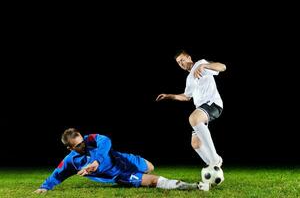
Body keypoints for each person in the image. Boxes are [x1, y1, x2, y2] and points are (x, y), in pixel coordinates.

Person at [34, 128, 209, 193]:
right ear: (70, 148)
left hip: (123, 159)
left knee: (150, 167)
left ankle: (139, 169)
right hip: (120, 174)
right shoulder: (71, 161)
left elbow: (106, 141)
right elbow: (58, 174)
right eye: (78, 146)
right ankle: (193, 186)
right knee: (152, 180)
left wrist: (96, 162)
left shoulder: (91, 139)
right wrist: (44, 187)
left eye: (82, 141)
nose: (83, 145)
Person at [156, 50, 226, 169]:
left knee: (193, 118)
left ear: (189, 57)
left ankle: (215, 160)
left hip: (213, 104)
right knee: (196, 144)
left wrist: (205, 65)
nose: (181, 63)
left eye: (182, 60)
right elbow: (186, 96)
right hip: (202, 109)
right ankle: (212, 167)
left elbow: (222, 67)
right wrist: (169, 96)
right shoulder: (189, 78)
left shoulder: (200, 64)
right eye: (178, 62)